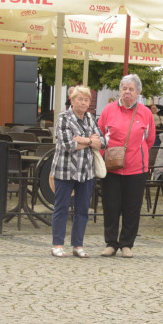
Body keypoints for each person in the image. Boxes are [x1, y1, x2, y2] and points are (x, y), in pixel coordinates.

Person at [98, 74, 156, 257]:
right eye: (124, 89)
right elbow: (100, 134)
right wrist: (104, 156)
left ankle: (126, 244)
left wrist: (135, 154)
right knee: (111, 205)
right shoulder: (109, 110)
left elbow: (150, 140)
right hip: (112, 166)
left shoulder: (146, 113)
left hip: (136, 168)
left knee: (132, 207)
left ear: (138, 92)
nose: (127, 92)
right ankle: (111, 243)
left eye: (131, 89)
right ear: (120, 91)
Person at [51, 85, 105, 258]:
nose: (83, 102)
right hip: (65, 170)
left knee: (82, 209)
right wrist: (91, 141)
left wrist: (84, 140)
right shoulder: (64, 118)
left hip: (86, 171)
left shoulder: (90, 118)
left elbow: (103, 141)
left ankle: (78, 245)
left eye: (86, 99)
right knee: (62, 208)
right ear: (72, 101)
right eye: (79, 99)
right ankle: (57, 244)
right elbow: (68, 144)